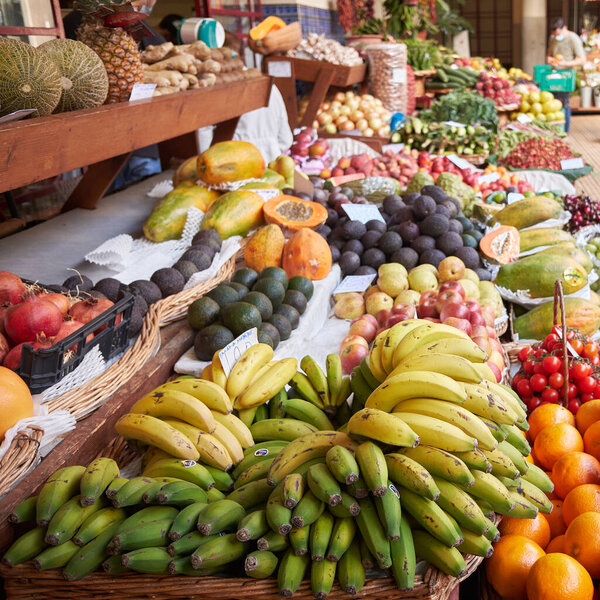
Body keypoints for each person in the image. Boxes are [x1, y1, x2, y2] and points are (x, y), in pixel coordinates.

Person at [547, 17, 586, 133]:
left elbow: (582, 59)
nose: (556, 36)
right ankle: (554, 131)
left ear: (564, 28)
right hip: (553, 75)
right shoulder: (552, 38)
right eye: (554, 33)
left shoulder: (573, 38)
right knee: (551, 103)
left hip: (566, 76)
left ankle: (565, 132)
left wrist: (566, 63)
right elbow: (549, 54)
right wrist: (549, 59)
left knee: (564, 103)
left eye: (558, 33)